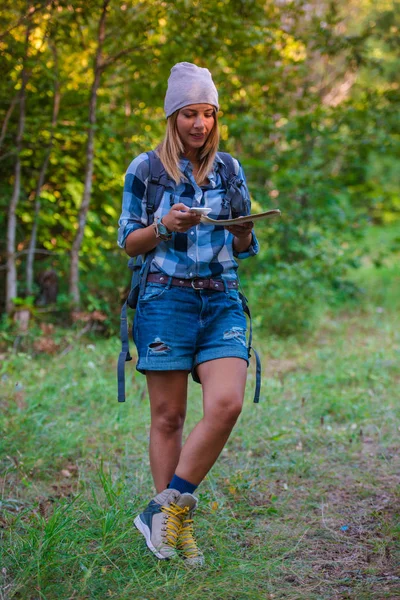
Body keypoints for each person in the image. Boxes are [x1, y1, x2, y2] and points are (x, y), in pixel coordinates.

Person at [117, 62, 259, 566]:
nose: (200, 124)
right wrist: (162, 225)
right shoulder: (147, 169)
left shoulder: (229, 170)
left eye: (208, 114)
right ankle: (171, 528)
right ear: (173, 116)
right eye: (189, 114)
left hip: (221, 298)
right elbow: (129, 244)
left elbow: (244, 245)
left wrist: (242, 229)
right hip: (164, 298)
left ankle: (165, 512)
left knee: (226, 404)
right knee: (169, 415)